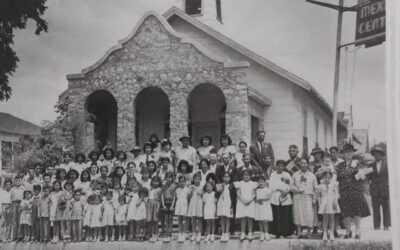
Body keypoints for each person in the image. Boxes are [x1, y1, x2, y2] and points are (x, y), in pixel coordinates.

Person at [336, 143, 370, 239]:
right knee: (346, 212)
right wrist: (338, 191)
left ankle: (358, 231)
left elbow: (363, 177)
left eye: (350, 152)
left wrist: (359, 171)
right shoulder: (340, 165)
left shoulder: (357, 163)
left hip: (356, 190)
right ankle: (348, 231)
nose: (348, 154)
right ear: (344, 154)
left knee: (357, 211)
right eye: (346, 152)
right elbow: (337, 178)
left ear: (353, 153)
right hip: (344, 191)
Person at [292, 158, 318, 238]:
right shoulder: (295, 174)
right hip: (298, 197)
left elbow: (316, 188)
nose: (303, 165)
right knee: (298, 214)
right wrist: (296, 190)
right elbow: (291, 185)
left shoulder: (312, 175)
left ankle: (309, 233)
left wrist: (314, 198)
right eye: (301, 163)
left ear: (307, 164)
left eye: (304, 163)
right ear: (300, 165)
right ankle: (299, 233)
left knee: (309, 214)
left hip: (308, 197)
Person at [269, 160, 294, 238]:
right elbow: (271, 186)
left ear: (284, 167)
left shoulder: (286, 174)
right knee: (277, 215)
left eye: (282, 166)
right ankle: (277, 232)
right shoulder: (273, 174)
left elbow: (291, 185)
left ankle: (286, 232)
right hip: (276, 196)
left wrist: (286, 191)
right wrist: (279, 190)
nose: (280, 167)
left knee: (285, 215)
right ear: (276, 166)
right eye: (279, 165)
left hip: (285, 196)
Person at [368, 146, 390, 230]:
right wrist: (370, 183)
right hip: (375, 190)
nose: (376, 155)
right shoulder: (371, 165)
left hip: (385, 189)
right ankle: (376, 226)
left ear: (381, 154)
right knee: (376, 208)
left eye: (378, 153)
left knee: (386, 207)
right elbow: (367, 177)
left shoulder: (387, 164)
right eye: (374, 154)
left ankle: (386, 225)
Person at [234, 169, 258, 241]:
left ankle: (250, 233)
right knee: (243, 218)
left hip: (250, 202)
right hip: (242, 202)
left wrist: (249, 200)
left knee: (250, 218)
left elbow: (254, 194)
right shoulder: (240, 183)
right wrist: (243, 200)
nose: (246, 176)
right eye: (245, 175)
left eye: (248, 175)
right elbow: (238, 193)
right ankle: (243, 233)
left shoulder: (253, 183)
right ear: (242, 176)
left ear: (250, 176)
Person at [318, 171, 340, 241]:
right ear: (323, 178)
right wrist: (319, 204)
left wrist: (335, 201)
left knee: (332, 218)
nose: (327, 179)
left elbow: (337, 194)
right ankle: (324, 233)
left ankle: (331, 233)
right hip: (324, 203)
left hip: (332, 202)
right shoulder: (320, 186)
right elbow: (318, 196)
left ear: (331, 178)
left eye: (329, 178)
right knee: (325, 219)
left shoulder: (334, 185)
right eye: (325, 177)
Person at [217, 172, 236, 242]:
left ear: (230, 178)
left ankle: (227, 233)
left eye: (227, 177)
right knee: (222, 218)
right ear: (222, 178)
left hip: (228, 203)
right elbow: (216, 195)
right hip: (221, 203)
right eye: (224, 176)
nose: (226, 178)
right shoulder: (220, 185)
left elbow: (233, 198)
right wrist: (220, 190)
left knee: (227, 218)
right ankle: (223, 233)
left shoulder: (231, 186)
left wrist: (232, 207)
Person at [254, 176, 273, 241]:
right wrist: (257, 200)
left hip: (265, 206)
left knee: (265, 220)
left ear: (265, 182)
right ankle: (262, 233)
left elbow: (268, 197)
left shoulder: (268, 189)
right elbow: (255, 198)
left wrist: (261, 199)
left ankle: (266, 233)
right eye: (259, 181)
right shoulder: (257, 190)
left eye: (262, 181)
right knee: (260, 219)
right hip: (259, 206)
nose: (261, 183)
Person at [173, 175, 190, 243]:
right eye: (180, 182)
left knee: (184, 220)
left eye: (183, 182)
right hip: (179, 205)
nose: (182, 183)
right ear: (178, 182)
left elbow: (188, 199)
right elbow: (176, 198)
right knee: (179, 219)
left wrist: (188, 208)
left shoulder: (187, 189)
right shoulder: (177, 190)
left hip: (184, 205)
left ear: (185, 182)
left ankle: (184, 233)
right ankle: (180, 233)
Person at [187, 173, 203, 242]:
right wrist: (191, 191)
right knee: (193, 219)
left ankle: (199, 233)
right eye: (195, 179)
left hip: (199, 203)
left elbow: (204, 196)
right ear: (193, 179)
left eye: (198, 179)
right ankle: (193, 233)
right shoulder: (191, 187)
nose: (197, 180)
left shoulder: (202, 186)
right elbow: (189, 196)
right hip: (193, 203)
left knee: (199, 219)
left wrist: (201, 193)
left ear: (200, 180)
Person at [160, 172, 175, 242]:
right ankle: (166, 234)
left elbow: (174, 196)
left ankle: (170, 233)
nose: (169, 179)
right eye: (167, 177)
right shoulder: (163, 186)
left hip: (171, 203)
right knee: (166, 219)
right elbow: (162, 196)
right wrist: (163, 205)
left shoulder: (174, 186)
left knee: (170, 219)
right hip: (165, 203)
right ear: (165, 178)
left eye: (170, 177)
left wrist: (172, 205)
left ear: (172, 178)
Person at [147, 176, 162, 242]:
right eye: (154, 181)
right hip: (150, 204)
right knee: (150, 220)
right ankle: (151, 234)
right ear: (152, 182)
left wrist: (158, 208)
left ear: (159, 182)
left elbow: (160, 200)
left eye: (157, 181)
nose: (155, 183)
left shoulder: (159, 189)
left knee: (155, 220)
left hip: (156, 204)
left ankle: (156, 234)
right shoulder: (150, 189)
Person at [11, 175, 24, 241]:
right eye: (16, 181)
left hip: (21, 203)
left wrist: (22, 205)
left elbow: (24, 198)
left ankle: (20, 236)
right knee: (14, 220)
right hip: (14, 204)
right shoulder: (12, 189)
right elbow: (11, 198)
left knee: (20, 220)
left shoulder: (23, 188)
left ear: (21, 181)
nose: (18, 182)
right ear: (14, 181)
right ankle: (14, 236)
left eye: (19, 180)